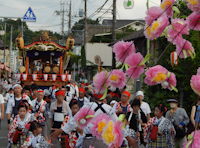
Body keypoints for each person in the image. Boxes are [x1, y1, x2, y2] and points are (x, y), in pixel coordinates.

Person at [50, 93, 137, 148]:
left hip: (89, 141)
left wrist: (61, 130)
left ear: (94, 96)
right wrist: (129, 139)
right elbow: (118, 125)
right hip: (104, 143)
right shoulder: (109, 108)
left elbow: (74, 121)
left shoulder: (87, 106)